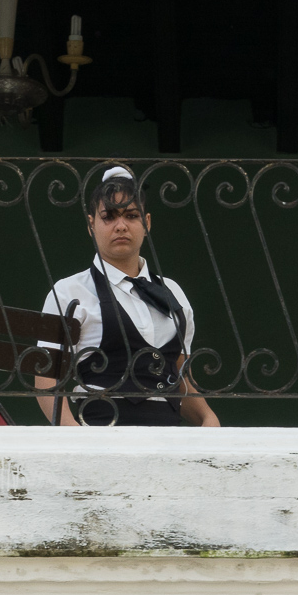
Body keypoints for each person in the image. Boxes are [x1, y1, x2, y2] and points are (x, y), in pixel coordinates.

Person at [35, 166, 220, 427]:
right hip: (102, 436)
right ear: (91, 225)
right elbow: (46, 376)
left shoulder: (172, 292)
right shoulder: (68, 292)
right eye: (108, 217)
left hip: (172, 441)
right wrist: (73, 435)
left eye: (131, 216)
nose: (121, 226)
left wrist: (207, 417)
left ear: (147, 223)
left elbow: (177, 374)